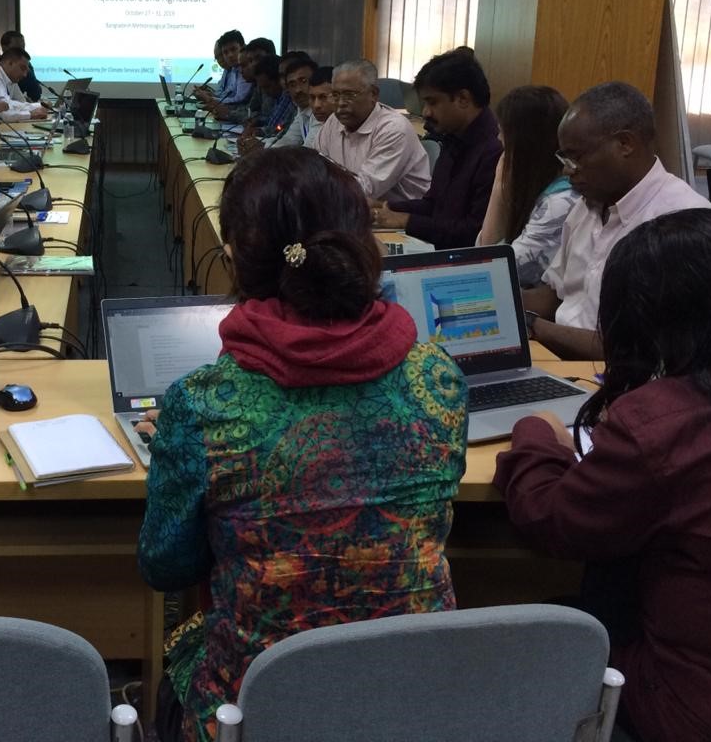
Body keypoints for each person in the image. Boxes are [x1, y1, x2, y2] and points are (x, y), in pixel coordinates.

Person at [138, 146, 467, 742]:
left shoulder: (202, 403)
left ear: (238, 254)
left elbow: (166, 566)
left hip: (257, 705)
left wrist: (179, 459)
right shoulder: (438, 376)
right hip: (412, 696)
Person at [494, 209, 711, 742]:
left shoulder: (664, 423)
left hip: (701, 708)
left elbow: (553, 519)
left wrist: (537, 434)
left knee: (549, 624)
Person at [522, 81, 711, 360]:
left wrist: (530, 325)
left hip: (620, 378)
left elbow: (635, 350)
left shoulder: (684, 224)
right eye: (564, 157)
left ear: (625, 144)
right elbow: (556, 293)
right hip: (558, 358)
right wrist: (492, 304)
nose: (567, 171)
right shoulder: (586, 206)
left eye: (576, 157)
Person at [373, 47, 502, 249]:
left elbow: (473, 232)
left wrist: (406, 221)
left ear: (463, 99)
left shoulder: (494, 151)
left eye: (432, 102)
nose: (425, 112)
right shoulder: (454, 138)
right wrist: (384, 208)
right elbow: (434, 205)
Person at [476, 85, 579, 287]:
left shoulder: (561, 202)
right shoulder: (545, 190)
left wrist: (500, 182)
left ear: (524, 141)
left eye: (502, 132)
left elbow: (491, 269)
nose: (499, 140)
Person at [310, 59, 430, 202]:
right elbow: (314, 169)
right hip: (352, 211)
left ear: (373, 94)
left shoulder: (393, 129)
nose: (341, 103)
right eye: (335, 95)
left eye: (349, 95)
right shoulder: (334, 122)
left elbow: (364, 190)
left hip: (401, 218)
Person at [193, 30, 249, 112]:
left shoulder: (245, 70)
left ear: (243, 48)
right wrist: (211, 95)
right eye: (225, 52)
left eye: (233, 49)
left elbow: (239, 100)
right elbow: (225, 94)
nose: (230, 55)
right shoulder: (233, 69)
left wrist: (209, 99)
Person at [0, 29, 43, 103]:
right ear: (4, 48)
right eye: (17, 48)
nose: (22, 51)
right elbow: (3, 106)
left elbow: (34, 95)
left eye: (23, 48)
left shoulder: (25, 66)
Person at [304, 66, 335, 148]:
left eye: (323, 97)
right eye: (312, 97)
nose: (316, 105)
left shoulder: (347, 126)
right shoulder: (316, 118)